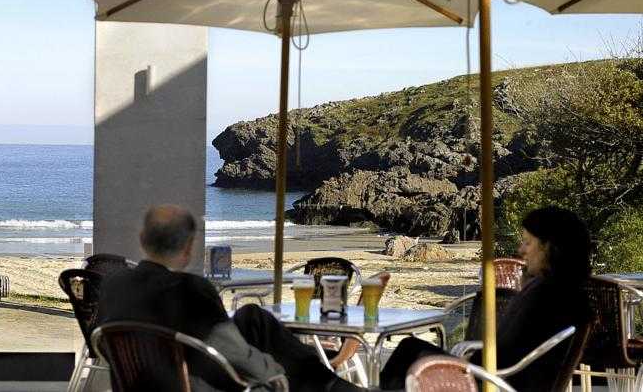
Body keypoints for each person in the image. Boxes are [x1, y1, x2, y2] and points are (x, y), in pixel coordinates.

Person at [95, 204, 363, 392]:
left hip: (146, 382)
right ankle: (329, 381)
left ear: (142, 240)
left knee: (252, 316)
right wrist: (274, 371)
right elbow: (234, 353)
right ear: (188, 248)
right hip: (200, 384)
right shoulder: (191, 288)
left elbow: (103, 344)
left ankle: (325, 377)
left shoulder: (112, 284)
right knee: (284, 373)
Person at [379, 206, 592, 391]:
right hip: (497, 377)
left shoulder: (546, 296)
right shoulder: (565, 292)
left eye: (528, 243)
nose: (521, 250)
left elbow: (506, 355)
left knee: (410, 349)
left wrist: (464, 361)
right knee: (410, 348)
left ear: (548, 247)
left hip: (491, 382)